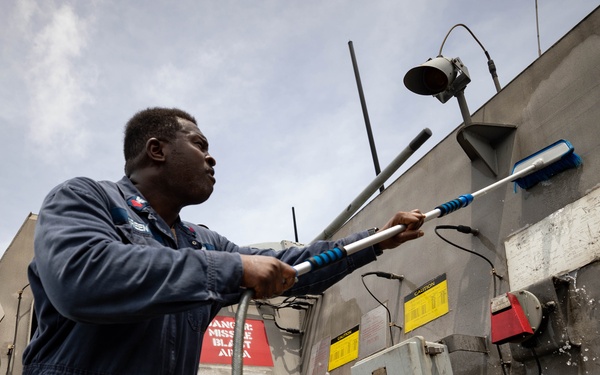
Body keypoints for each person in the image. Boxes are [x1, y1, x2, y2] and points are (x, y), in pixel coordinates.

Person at [22, 107, 425, 375]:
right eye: (199, 145)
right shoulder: (85, 197)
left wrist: (376, 240)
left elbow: (290, 265)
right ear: (156, 150)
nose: (211, 158)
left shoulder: (202, 242)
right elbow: (82, 280)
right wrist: (232, 268)